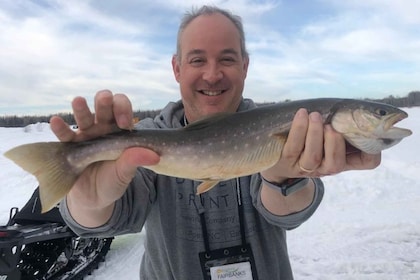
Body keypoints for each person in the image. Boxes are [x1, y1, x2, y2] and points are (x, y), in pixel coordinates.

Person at [50, 5, 381, 279]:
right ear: (177, 68)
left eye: (226, 59)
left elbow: (287, 214)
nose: (212, 75)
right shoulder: (150, 136)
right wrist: (88, 199)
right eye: (197, 60)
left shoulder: (277, 126)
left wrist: (284, 177)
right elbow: (106, 219)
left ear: (245, 66)